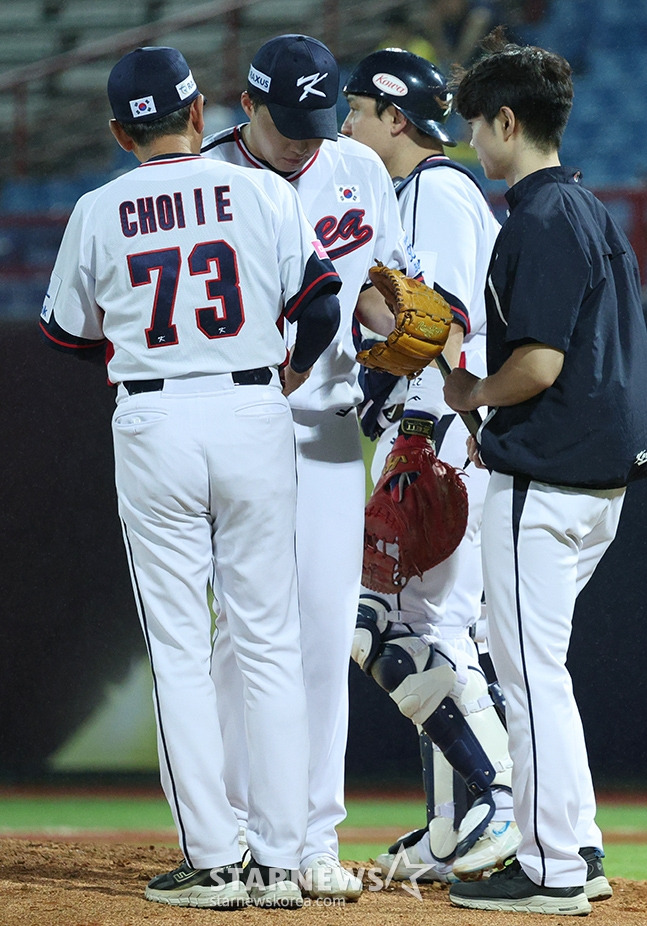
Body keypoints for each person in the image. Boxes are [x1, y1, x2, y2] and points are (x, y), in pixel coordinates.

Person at [39, 45, 343, 909]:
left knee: (179, 648)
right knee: (270, 641)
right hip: (254, 409)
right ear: (200, 112)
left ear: (117, 131)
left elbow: (68, 334)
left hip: (156, 415)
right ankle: (282, 862)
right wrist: (288, 372)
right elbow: (320, 300)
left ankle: (213, 860)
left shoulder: (97, 209)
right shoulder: (263, 191)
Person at [201, 33, 421, 901]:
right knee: (241, 640)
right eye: (287, 120)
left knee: (327, 638)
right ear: (246, 106)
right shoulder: (205, 177)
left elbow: (381, 291)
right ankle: (234, 828)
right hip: (240, 420)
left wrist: (388, 320)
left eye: (318, 119)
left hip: (330, 427)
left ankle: (312, 837)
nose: (305, 136)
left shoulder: (358, 168)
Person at [443, 27, 647, 915]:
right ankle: (579, 848)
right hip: (596, 481)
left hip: (543, 480)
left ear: (505, 120)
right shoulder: (591, 209)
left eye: (477, 127)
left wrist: (465, 392)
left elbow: (538, 367)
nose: (472, 143)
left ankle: (553, 871)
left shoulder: (537, 218)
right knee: (541, 673)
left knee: (526, 678)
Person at [341, 47, 518, 882]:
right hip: (431, 423)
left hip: (444, 428)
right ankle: (454, 822)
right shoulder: (413, 193)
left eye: (355, 111)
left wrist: (414, 420)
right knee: (421, 626)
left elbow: (443, 323)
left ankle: (492, 801)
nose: (345, 125)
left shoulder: (438, 190)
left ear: (394, 118)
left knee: (403, 626)